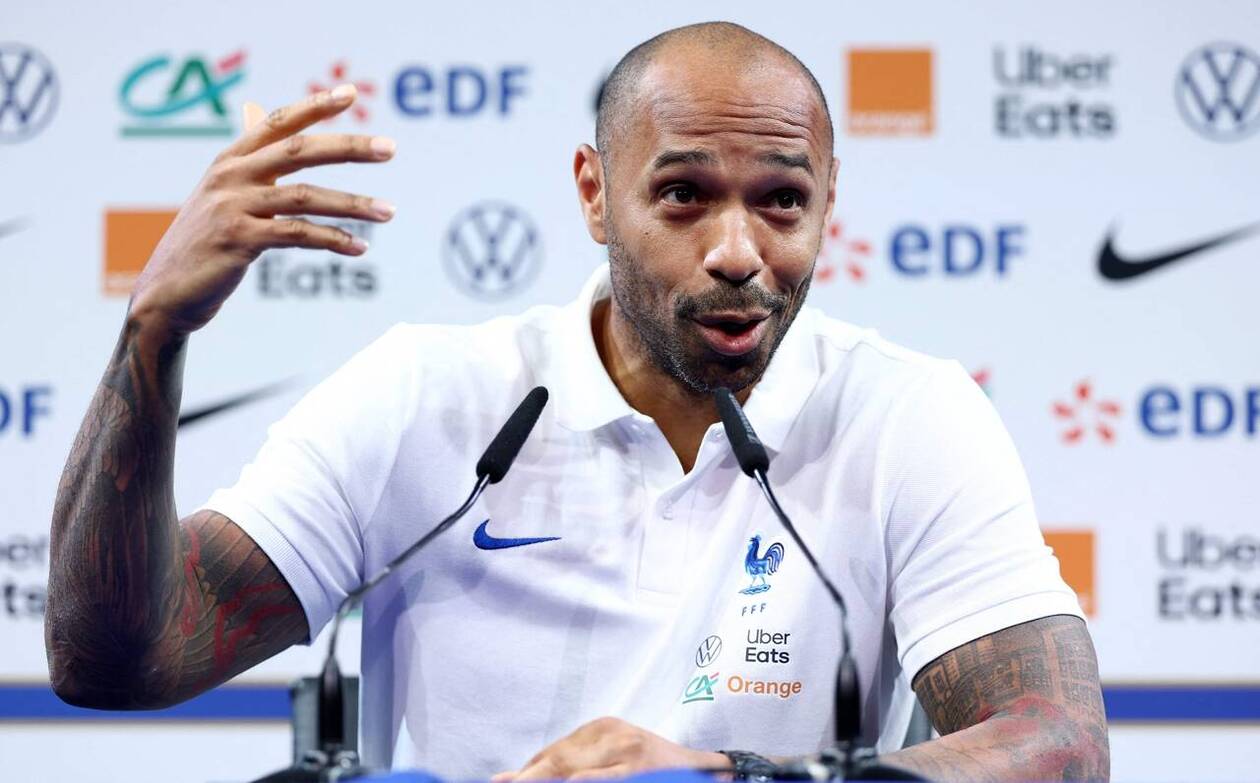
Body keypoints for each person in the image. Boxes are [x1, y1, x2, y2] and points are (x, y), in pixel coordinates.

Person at [46, 22, 1108, 782]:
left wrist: (723, 780)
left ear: (830, 197)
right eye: (683, 195)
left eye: (783, 200)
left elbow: (1058, 745)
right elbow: (117, 662)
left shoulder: (905, 414)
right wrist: (151, 336)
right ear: (596, 193)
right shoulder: (429, 395)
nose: (739, 253)